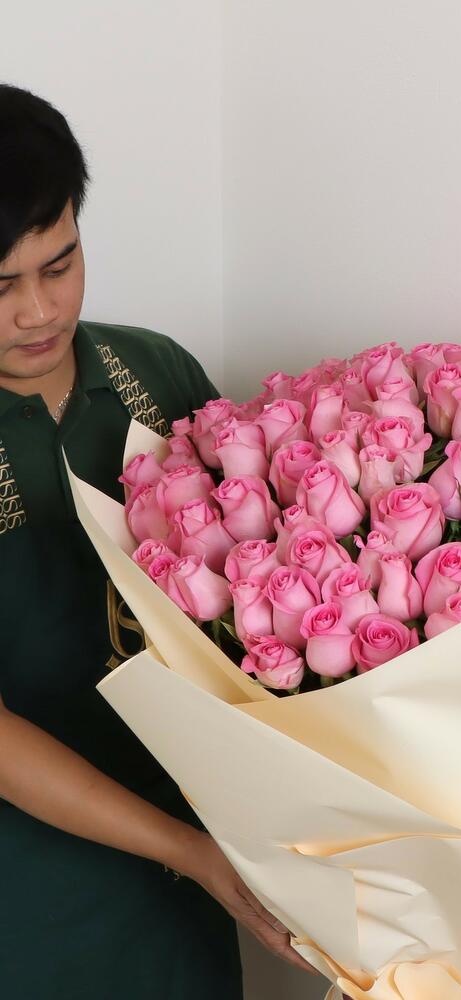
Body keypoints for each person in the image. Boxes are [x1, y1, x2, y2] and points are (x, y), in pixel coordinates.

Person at [0, 84, 319, 998]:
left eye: (60, 264)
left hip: (190, 848)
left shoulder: (155, 370)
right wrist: (190, 852)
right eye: (0, 286)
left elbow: (261, 603)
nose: (38, 311)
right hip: (30, 883)